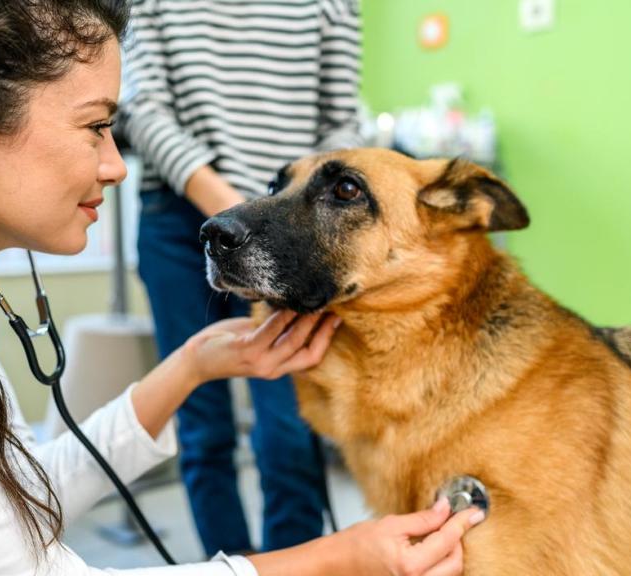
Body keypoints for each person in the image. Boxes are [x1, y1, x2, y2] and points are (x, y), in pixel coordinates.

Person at [0, 1, 482, 575]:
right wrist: (339, 560)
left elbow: (16, 501)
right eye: (95, 126)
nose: (116, 162)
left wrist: (194, 366)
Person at [121, 0, 365, 556]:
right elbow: (142, 108)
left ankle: (293, 565)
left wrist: (283, 218)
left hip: (293, 220)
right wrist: (235, 214)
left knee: (290, 426)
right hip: (181, 216)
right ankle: (227, 565)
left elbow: (340, 122)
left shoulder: (331, 6)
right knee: (204, 428)